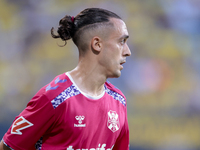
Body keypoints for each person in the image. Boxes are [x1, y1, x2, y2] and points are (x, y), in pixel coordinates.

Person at [0, 8, 131, 150]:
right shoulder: (54, 98)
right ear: (97, 44)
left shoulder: (118, 101)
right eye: (122, 41)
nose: (127, 52)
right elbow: (7, 147)